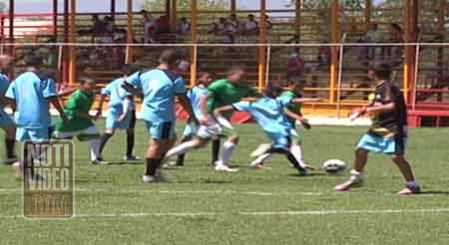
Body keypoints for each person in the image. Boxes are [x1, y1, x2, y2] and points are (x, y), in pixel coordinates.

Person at [334, 63, 421, 195]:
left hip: (393, 127)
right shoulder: (381, 88)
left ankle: (412, 185)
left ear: (372, 73)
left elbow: (391, 106)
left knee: (396, 157)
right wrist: (362, 110)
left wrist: (367, 109)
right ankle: (356, 178)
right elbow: (378, 105)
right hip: (379, 127)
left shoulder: (388, 87)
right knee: (361, 150)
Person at [161, 65, 260, 172]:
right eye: (240, 76)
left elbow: (259, 95)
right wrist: (205, 115)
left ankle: (165, 156)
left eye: (245, 77)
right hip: (214, 116)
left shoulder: (244, 87)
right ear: (231, 76)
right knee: (233, 136)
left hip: (222, 117)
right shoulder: (220, 84)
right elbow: (204, 98)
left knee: (199, 143)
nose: (243, 79)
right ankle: (222, 164)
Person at [122, 49, 198, 183]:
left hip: (147, 112)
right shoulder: (174, 78)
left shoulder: (145, 73)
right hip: (162, 114)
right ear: (176, 62)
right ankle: (150, 175)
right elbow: (182, 98)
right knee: (157, 143)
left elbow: (125, 84)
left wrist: (140, 93)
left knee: (170, 139)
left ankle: (156, 168)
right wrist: (192, 114)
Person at [214, 84, 311, 176]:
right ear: (276, 93)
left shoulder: (252, 103)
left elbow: (234, 106)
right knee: (287, 146)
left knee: (286, 150)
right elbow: (295, 101)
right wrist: (314, 99)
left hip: (269, 130)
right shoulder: (278, 101)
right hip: (282, 129)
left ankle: (300, 169)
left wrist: (218, 110)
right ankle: (267, 148)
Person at [5, 54, 66, 179]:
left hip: (21, 116)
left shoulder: (18, 79)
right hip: (38, 116)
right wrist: (62, 113)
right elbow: (52, 97)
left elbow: (10, 97)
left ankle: (29, 173)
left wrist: (15, 110)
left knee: (28, 144)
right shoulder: (44, 78)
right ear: (41, 63)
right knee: (44, 143)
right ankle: (22, 165)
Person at [249, 80, 318, 169]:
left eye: (302, 86)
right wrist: (300, 116)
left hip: (288, 124)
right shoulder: (287, 95)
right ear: (291, 85)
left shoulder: (297, 95)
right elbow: (284, 110)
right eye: (298, 86)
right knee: (296, 140)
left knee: (281, 145)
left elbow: (296, 110)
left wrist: (302, 121)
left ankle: (257, 162)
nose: (300, 88)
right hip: (281, 123)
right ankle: (300, 163)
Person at [53, 77, 105, 165]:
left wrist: (99, 109)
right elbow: (73, 111)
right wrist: (90, 117)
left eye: (93, 84)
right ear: (82, 85)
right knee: (52, 140)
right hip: (69, 122)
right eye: (90, 84)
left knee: (96, 136)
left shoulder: (92, 94)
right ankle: (36, 156)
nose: (93, 86)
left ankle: (95, 159)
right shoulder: (76, 95)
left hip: (83, 123)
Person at [168, 71, 214, 166]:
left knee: (214, 138)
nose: (211, 80)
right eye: (208, 77)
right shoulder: (194, 90)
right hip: (195, 117)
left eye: (212, 78)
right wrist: (179, 110)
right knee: (186, 138)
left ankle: (215, 160)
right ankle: (179, 160)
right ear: (201, 79)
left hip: (207, 118)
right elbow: (186, 101)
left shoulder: (213, 91)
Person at [97, 64, 140, 161]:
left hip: (113, 109)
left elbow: (103, 92)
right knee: (130, 131)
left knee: (109, 131)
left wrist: (99, 108)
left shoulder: (115, 82)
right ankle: (128, 155)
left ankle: (96, 154)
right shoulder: (131, 83)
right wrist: (124, 114)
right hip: (127, 110)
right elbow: (127, 99)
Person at [0, 55, 17, 164]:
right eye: (10, 64)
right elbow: (5, 97)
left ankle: (10, 156)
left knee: (11, 128)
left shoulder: (4, 78)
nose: (12, 67)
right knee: (11, 128)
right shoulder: (2, 78)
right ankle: (10, 156)